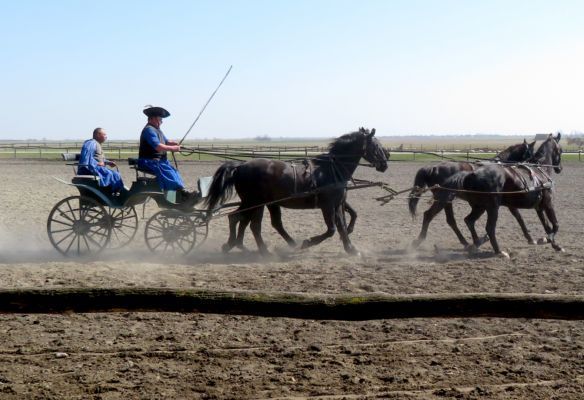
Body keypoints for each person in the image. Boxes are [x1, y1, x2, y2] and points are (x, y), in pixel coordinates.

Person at [137, 106, 196, 203]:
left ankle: (178, 194)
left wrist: (175, 144)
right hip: (149, 161)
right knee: (169, 174)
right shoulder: (149, 130)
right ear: (152, 119)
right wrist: (173, 149)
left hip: (159, 161)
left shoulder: (157, 130)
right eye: (160, 119)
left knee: (174, 172)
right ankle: (176, 198)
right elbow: (158, 146)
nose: (161, 122)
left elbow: (166, 141)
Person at [78, 127, 125, 193]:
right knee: (110, 174)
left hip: (97, 168)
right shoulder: (91, 143)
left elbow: (98, 159)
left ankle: (116, 192)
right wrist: (96, 164)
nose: (106, 137)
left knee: (116, 174)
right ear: (98, 135)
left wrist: (108, 162)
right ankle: (110, 192)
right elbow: (86, 158)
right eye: (104, 135)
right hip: (90, 169)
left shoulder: (97, 144)